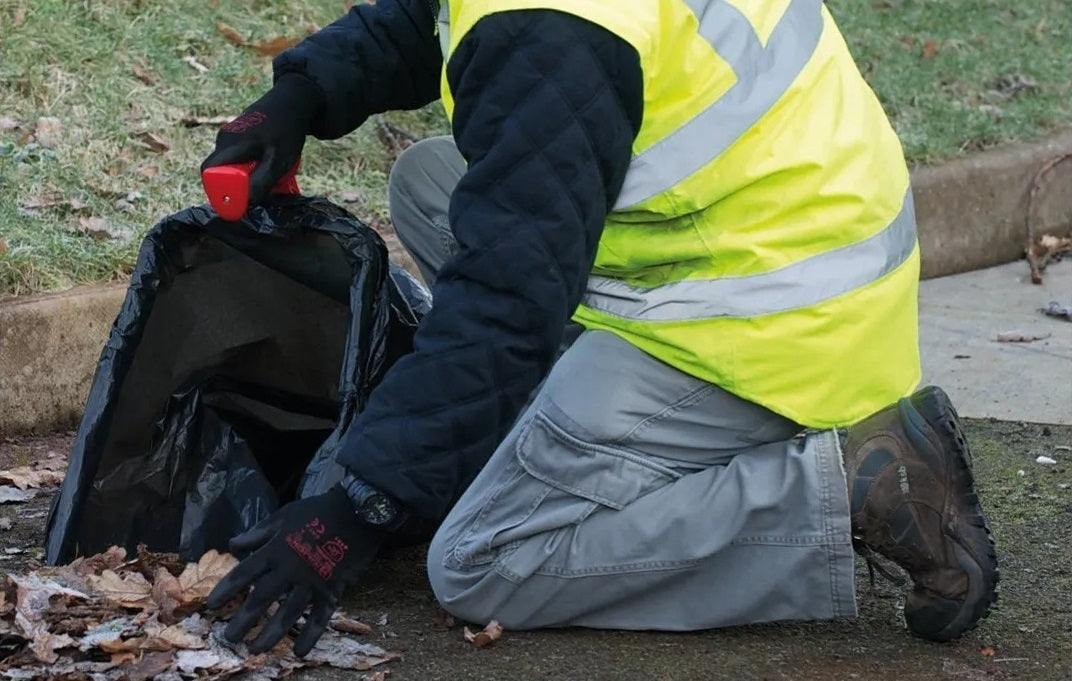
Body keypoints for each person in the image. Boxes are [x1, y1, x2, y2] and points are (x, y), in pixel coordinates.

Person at [201, 0, 999, 657]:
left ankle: (841, 487)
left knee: (480, 559)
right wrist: (302, 93)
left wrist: (358, 507)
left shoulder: (551, 33)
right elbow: (432, 21)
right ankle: (601, 421)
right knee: (430, 183)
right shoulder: (550, 32)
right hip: (793, 237)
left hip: (767, 323)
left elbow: (508, 300)